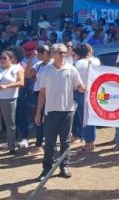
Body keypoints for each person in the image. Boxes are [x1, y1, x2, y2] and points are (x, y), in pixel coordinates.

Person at [34, 44, 85, 181]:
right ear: (53, 54)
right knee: (49, 142)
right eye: (59, 52)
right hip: (50, 111)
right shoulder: (46, 71)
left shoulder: (71, 69)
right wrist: (38, 112)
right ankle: (47, 169)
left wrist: (85, 87)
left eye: (64, 53)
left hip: (67, 111)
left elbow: (79, 86)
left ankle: (64, 166)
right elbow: (42, 93)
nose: (63, 55)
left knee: (65, 141)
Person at [73, 44, 101, 152]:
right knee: (90, 117)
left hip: (81, 91)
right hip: (94, 91)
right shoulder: (96, 61)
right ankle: (91, 141)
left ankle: (88, 142)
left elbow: (74, 79)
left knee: (83, 117)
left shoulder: (77, 63)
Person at [0, 50, 25, 155]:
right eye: (1, 58)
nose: (2, 60)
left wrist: (7, 86)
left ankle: (11, 147)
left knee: (10, 123)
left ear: (11, 59)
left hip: (9, 98)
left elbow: (21, 82)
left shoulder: (17, 68)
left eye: (4, 58)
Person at [28, 44, 51, 155]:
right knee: (39, 119)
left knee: (44, 119)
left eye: (39, 54)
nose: (38, 56)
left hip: (49, 94)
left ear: (44, 53)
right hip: (38, 94)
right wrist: (31, 59)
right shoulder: (38, 64)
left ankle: (41, 144)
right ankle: (39, 144)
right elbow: (28, 74)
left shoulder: (52, 65)